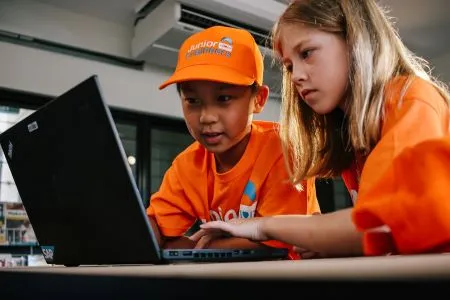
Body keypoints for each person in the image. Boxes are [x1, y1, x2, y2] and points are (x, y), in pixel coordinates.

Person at [192, 0, 450, 258]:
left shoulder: (409, 99)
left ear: (354, 40)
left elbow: (377, 225)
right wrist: (328, 243)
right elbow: (380, 240)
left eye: (306, 53)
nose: (295, 77)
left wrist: (263, 226)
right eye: (290, 66)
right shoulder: (353, 129)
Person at [147, 25, 320, 254]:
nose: (206, 117)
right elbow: (155, 230)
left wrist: (200, 247)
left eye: (224, 98)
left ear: (258, 99)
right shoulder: (187, 165)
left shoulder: (283, 149)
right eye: (192, 101)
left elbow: (277, 245)